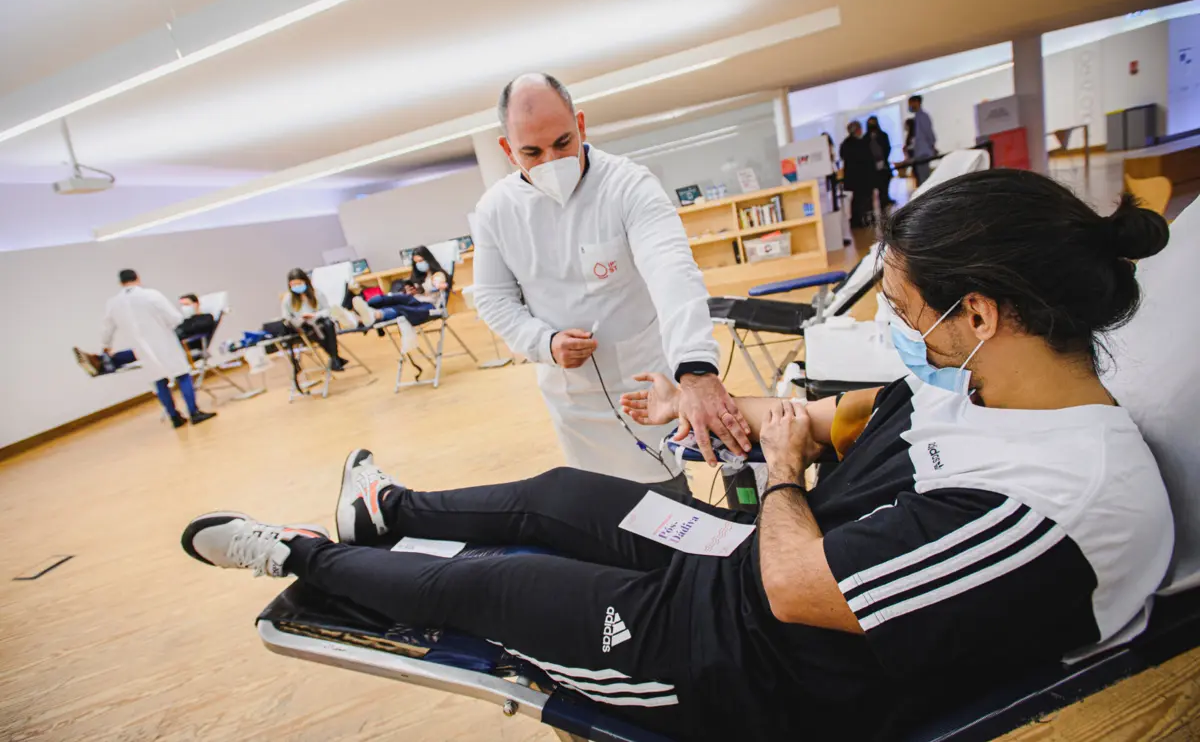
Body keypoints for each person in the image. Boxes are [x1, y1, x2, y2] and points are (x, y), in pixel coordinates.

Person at [180, 170, 1172, 740]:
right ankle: (388, 512)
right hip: (747, 560)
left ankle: (304, 556)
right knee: (567, 494)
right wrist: (736, 411)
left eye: (906, 311)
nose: (895, 327)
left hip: (742, 662)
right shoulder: (988, 379)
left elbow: (798, 590)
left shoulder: (1054, 505)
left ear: (983, 314)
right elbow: (852, 420)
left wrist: (780, 473)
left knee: (494, 592)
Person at [470, 73, 749, 490]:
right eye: (532, 151)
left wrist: (695, 368)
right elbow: (493, 298)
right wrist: (543, 342)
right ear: (508, 150)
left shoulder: (628, 185)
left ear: (580, 126)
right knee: (602, 508)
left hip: (646, 388)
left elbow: (670, 268)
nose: (551, 161)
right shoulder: (495, 210)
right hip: (572, 397)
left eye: (563, 143)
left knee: (667, 495)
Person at [100, 270, 216, 427]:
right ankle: (194, 412)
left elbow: (107, 328)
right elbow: (175, 318)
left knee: (159, 381)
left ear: (121, 283)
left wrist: (105, 346)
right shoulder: (151, 295)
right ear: (138, 278)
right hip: (164, 342)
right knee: (182, 375)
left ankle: (174, 418)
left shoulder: (113, 303)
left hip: (141, 349)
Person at [74, 292, 218, 376]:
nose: (184, 308)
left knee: (146, 351)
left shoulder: (206, 318)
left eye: (187, 304)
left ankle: (101, 363)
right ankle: (100, 361)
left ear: (196, 304)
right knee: (145, 348)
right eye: (182, 305)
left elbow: (186, 333)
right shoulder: (182, 319)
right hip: (169, 346)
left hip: (185, 349)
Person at [282, 268, 348, 372]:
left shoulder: (316, 293)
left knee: (328, 325)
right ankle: (335, 358)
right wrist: (299, 319)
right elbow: (286, 317)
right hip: (303, 326)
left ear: (305, 281)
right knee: (314, 331)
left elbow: (327, 310)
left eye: (299, 283)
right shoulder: (288, 299)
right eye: (293, 285)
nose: (296, 287)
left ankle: (334, 358)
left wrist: (315, 315)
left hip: (319, 321)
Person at [839, 120, 875, 228]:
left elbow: (842, 156)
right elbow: (867, 160)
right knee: (864, 199)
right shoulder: (862, 143)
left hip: (852, 178)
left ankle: (855, 221)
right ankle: (864, 220)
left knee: (856, 200)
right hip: (862, 177)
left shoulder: (845, 144)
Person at [865, 115, 894, 211]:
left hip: (883, 165)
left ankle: (885, 203)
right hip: (872, 168)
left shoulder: (883, 135)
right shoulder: (865, 139)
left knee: (884, 187)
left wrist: (883, 159)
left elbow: (887, 148)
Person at [908, 95, 937, 186]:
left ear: (916, 102)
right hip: (919, 152)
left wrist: (931, 145)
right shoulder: (917, 117)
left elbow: (928, 132)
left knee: (924, 178)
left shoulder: (923, 116)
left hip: (923, 152)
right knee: (922, 177)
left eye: (910, 103)